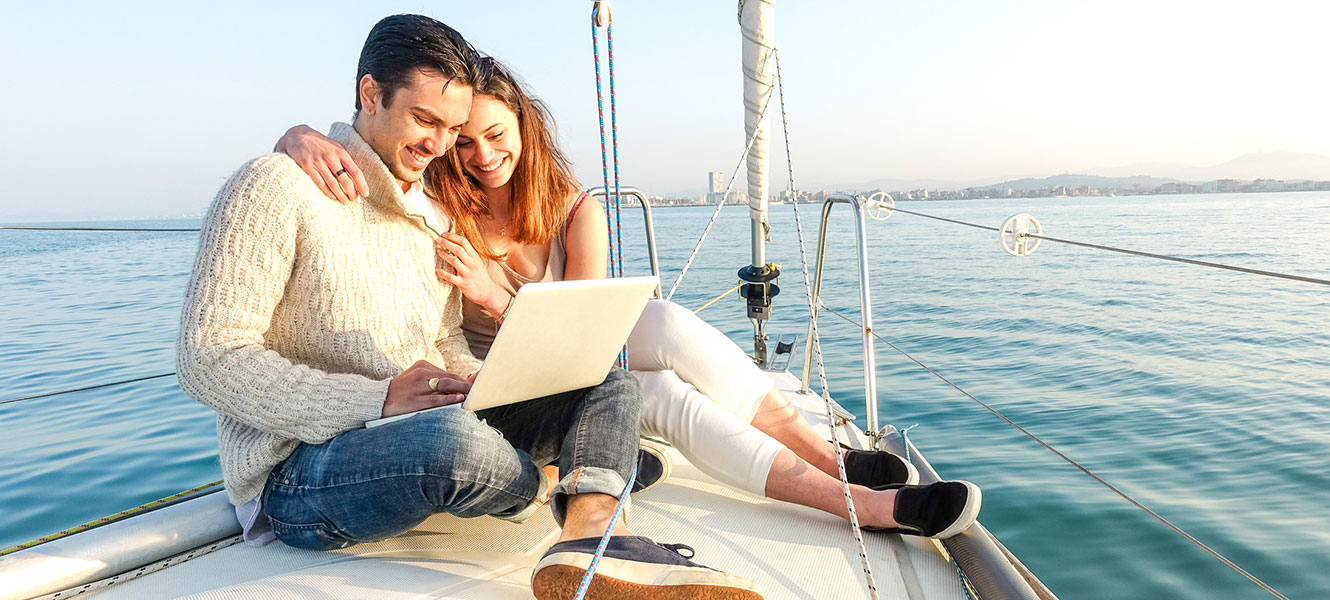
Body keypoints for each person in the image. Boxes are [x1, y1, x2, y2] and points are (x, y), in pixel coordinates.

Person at [177, 15, 763, 600]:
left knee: (603, 385)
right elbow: (208, 358)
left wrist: (486, 387)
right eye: (424, 119)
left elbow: (445, 338)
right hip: (302, 468)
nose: (438, 146)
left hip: (425, 421)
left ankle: (592, 534)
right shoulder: (275, 186)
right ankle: (583, 475)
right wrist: (376, 399)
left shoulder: (431, 212)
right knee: (454, 446)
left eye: (450, 128)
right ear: (371, 94)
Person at [277, 56, 982, 539]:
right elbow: (371, 158)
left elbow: (584, 336)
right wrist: (297, 135)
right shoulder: (437, 199)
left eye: (495, 135)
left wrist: (500, 290)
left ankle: (829, 458)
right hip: (501, 384)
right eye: (462, 142)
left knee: (667, 326)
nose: (480, 156)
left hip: (569, 369)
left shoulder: (572, 209)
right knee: (663, 396)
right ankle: (861, 503)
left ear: (526, 124)